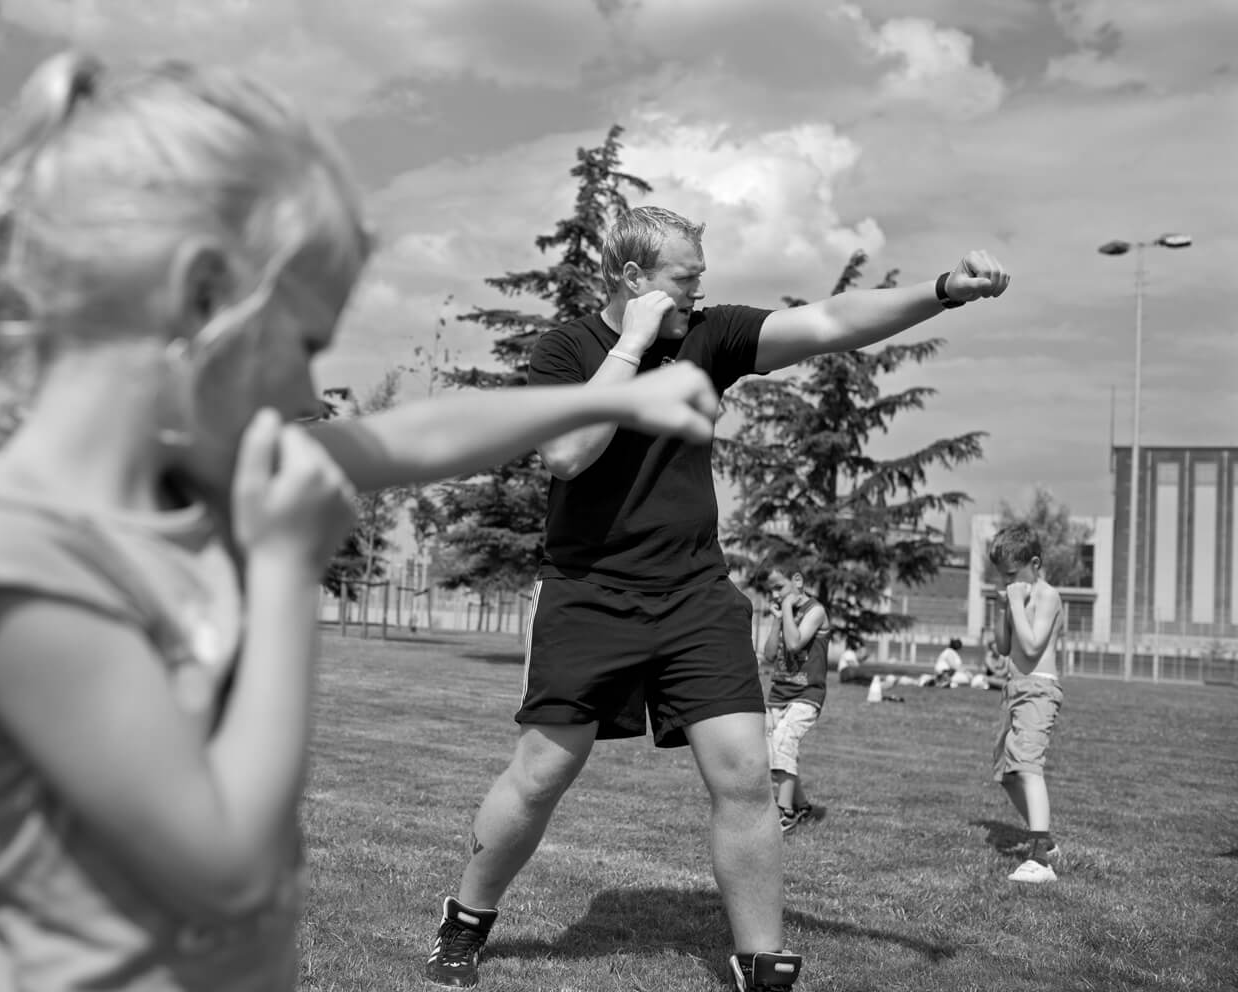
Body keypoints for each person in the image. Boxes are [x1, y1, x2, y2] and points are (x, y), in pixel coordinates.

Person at [0, 56, 725, 992]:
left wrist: (628, 396)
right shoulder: (7, 547)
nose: (305, 390)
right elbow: (216, 862)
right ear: (187, 300)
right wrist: (287, 574)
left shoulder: (212, 464)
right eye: (299, 344)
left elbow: (416, 433)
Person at [422, 205, 1010, 992]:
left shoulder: (709, 335)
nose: (699, 296)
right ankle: (464, 924)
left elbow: (829, 322)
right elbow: (566, 454)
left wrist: (943, 290)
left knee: (743, 772)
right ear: (632, 280)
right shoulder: (564, 349)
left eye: (702, 280)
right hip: (590, 593)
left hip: (696, 593)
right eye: (684, 280)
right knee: (539, 775)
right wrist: (632, 344)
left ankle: (761, 964)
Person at [987, 523, 1066, 884]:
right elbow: (1004, 646)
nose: (1008, 583)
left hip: (1038, 689)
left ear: (1034, 563)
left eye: (1012, 575)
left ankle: (1040, 859)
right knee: (1006, 773)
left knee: (1028, 765)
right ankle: (1045, 840)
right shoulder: (1015, 597)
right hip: (1014, 688)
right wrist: (1001, 608)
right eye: (1003, 577)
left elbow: (1033, 646)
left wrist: (1017, 603)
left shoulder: (1046, 596)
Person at [761, 563, 829, 834]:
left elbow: (794, 643)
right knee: (773, 752)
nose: (775, 595)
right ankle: (802, 806)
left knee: (784, 741)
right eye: (772, 590)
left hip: (806, 695)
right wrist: (777, 619)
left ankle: (784, 812)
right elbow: (768, 655)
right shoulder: (784, 613)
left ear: (797, 580)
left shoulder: (816, 611)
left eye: (779, 587)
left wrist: (787, 611)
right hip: (778, 695)